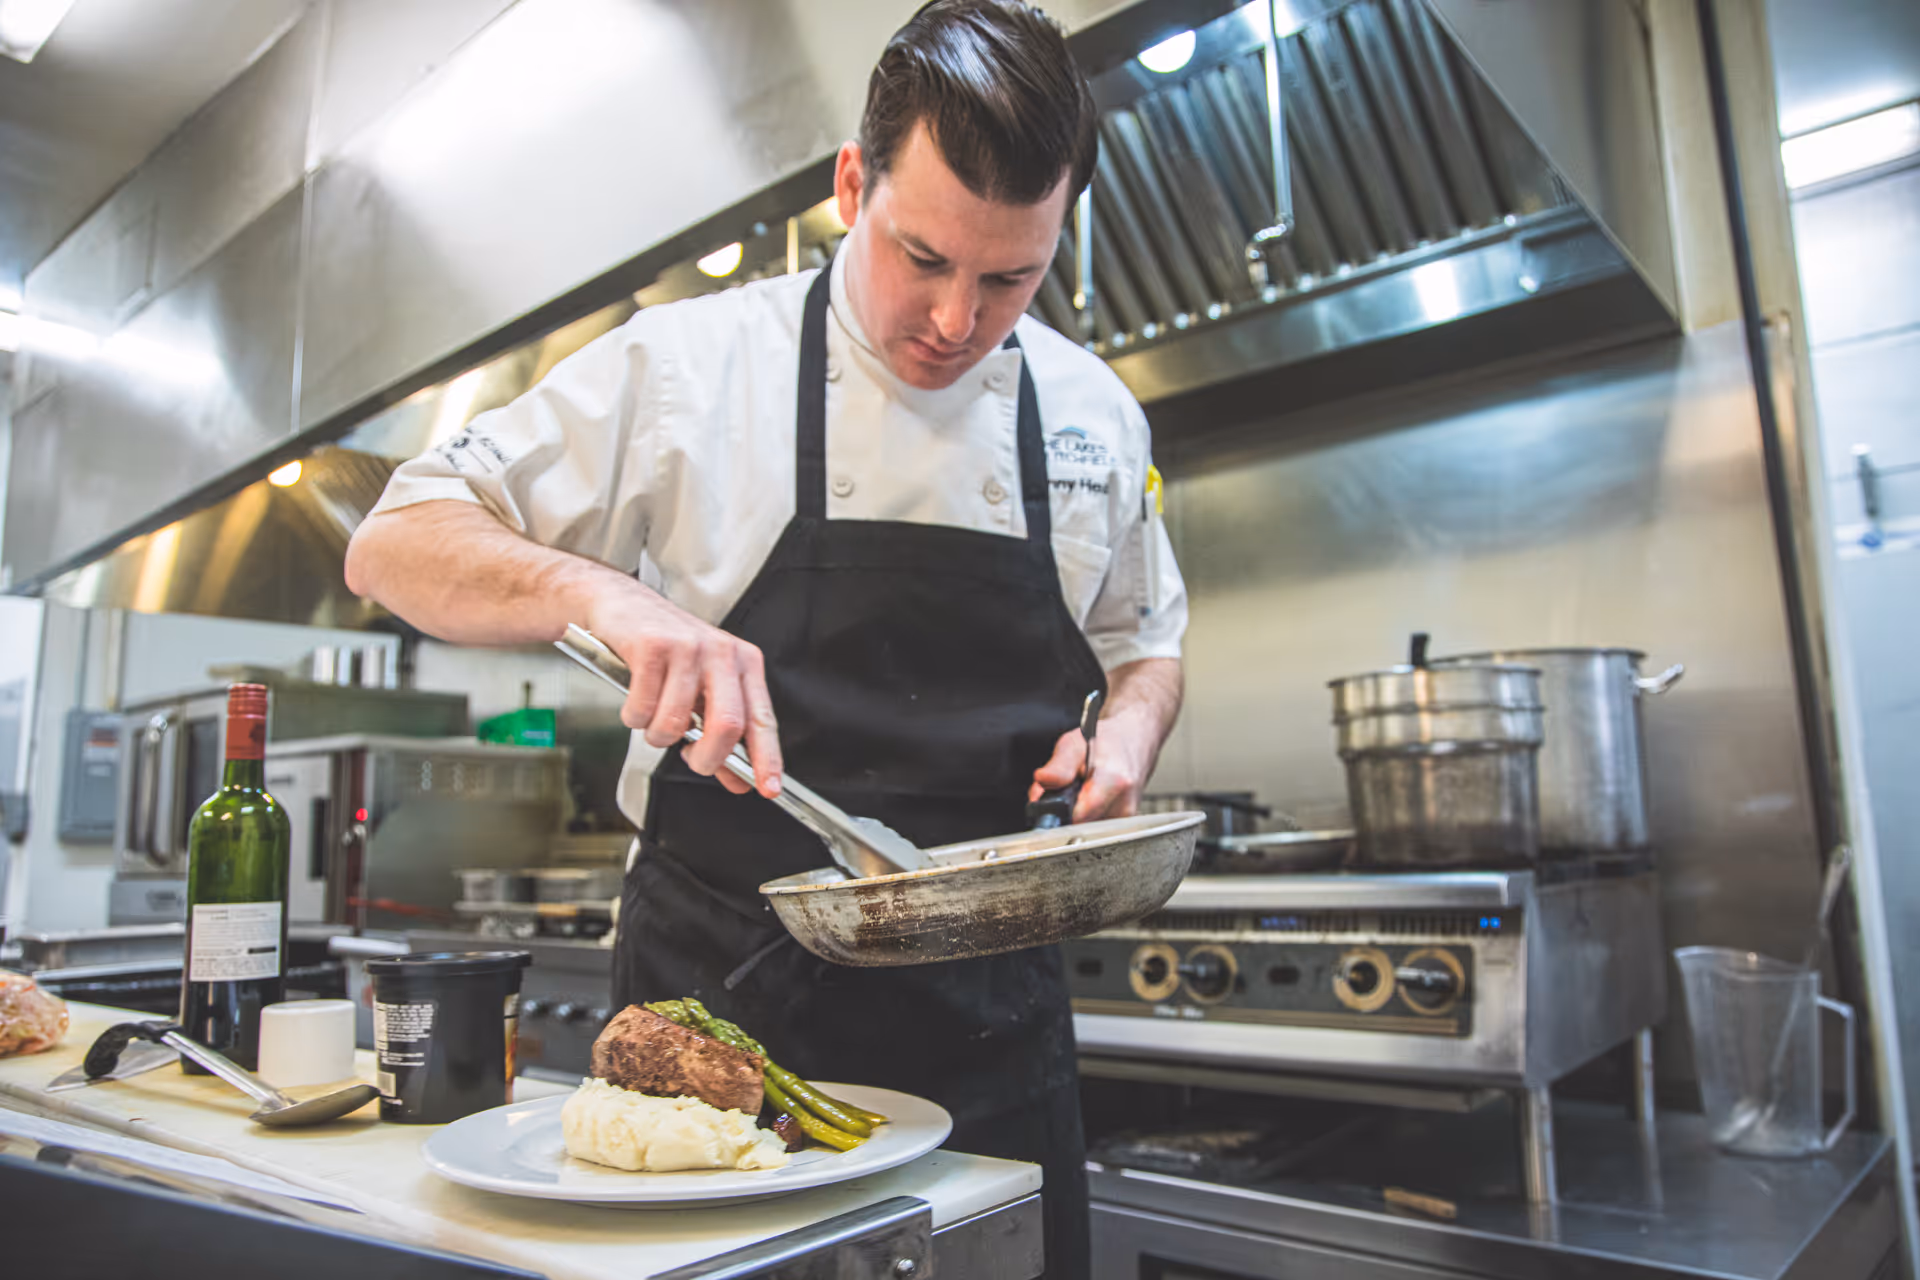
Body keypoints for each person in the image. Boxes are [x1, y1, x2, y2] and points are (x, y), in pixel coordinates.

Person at [345, 3, 1186, 1274]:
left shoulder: (1094, 415)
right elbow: (397, 540)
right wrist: (611, 599)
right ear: (852, 187)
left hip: (994, 1019)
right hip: (718, 1020)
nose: (956, 319)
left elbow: (1144, 644)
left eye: (1010, 277)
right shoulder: (689, 369)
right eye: (922, 257)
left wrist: (1125, 735)